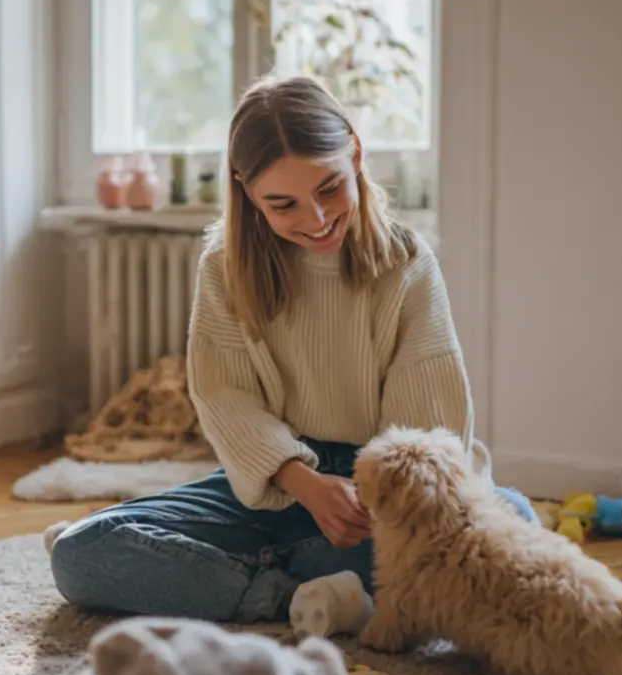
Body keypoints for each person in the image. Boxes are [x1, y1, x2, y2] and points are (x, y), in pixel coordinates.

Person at [48, 75, 538, 627]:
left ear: (354, 153)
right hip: (276, 485)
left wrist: (369, 501)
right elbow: (224, 397)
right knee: (80, 551)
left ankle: (220, 575)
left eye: (329, 189)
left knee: (514, 518)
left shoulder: (406, 262)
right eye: (283, 204)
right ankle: (296, 596)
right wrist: (304, 484)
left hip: (380, 492)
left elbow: (427, 428)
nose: (317, 219)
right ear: (248, 194)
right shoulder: (223, 266)